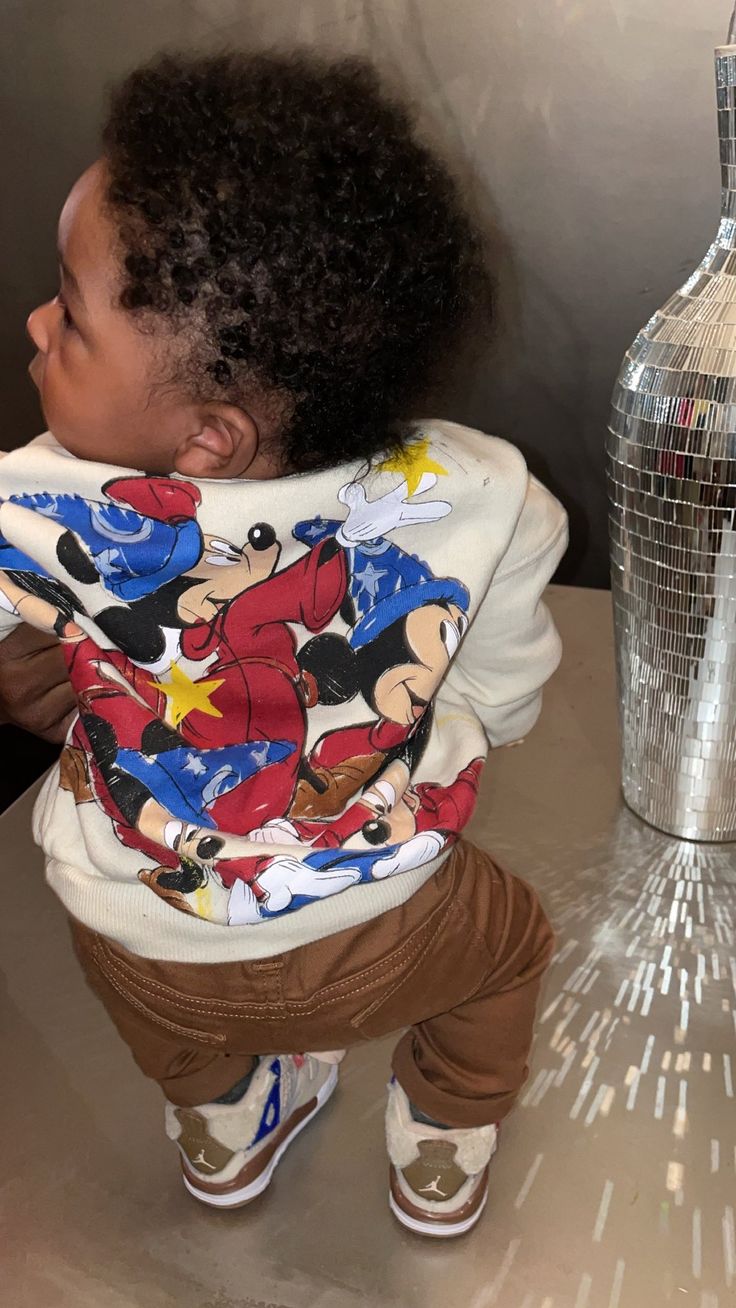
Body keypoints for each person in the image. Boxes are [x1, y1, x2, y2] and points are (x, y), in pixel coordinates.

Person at [0, 51, 567, 1239]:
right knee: (508, 948)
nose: (37, 322)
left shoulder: (31, 508)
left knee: (156, 1007)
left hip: (138, 931)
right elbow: (509, 662)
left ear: (208, 437)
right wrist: (483, 717)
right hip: (383, 916)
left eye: (71, 307)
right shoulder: (471, 488)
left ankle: (226, 1127)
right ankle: (444, 1142)